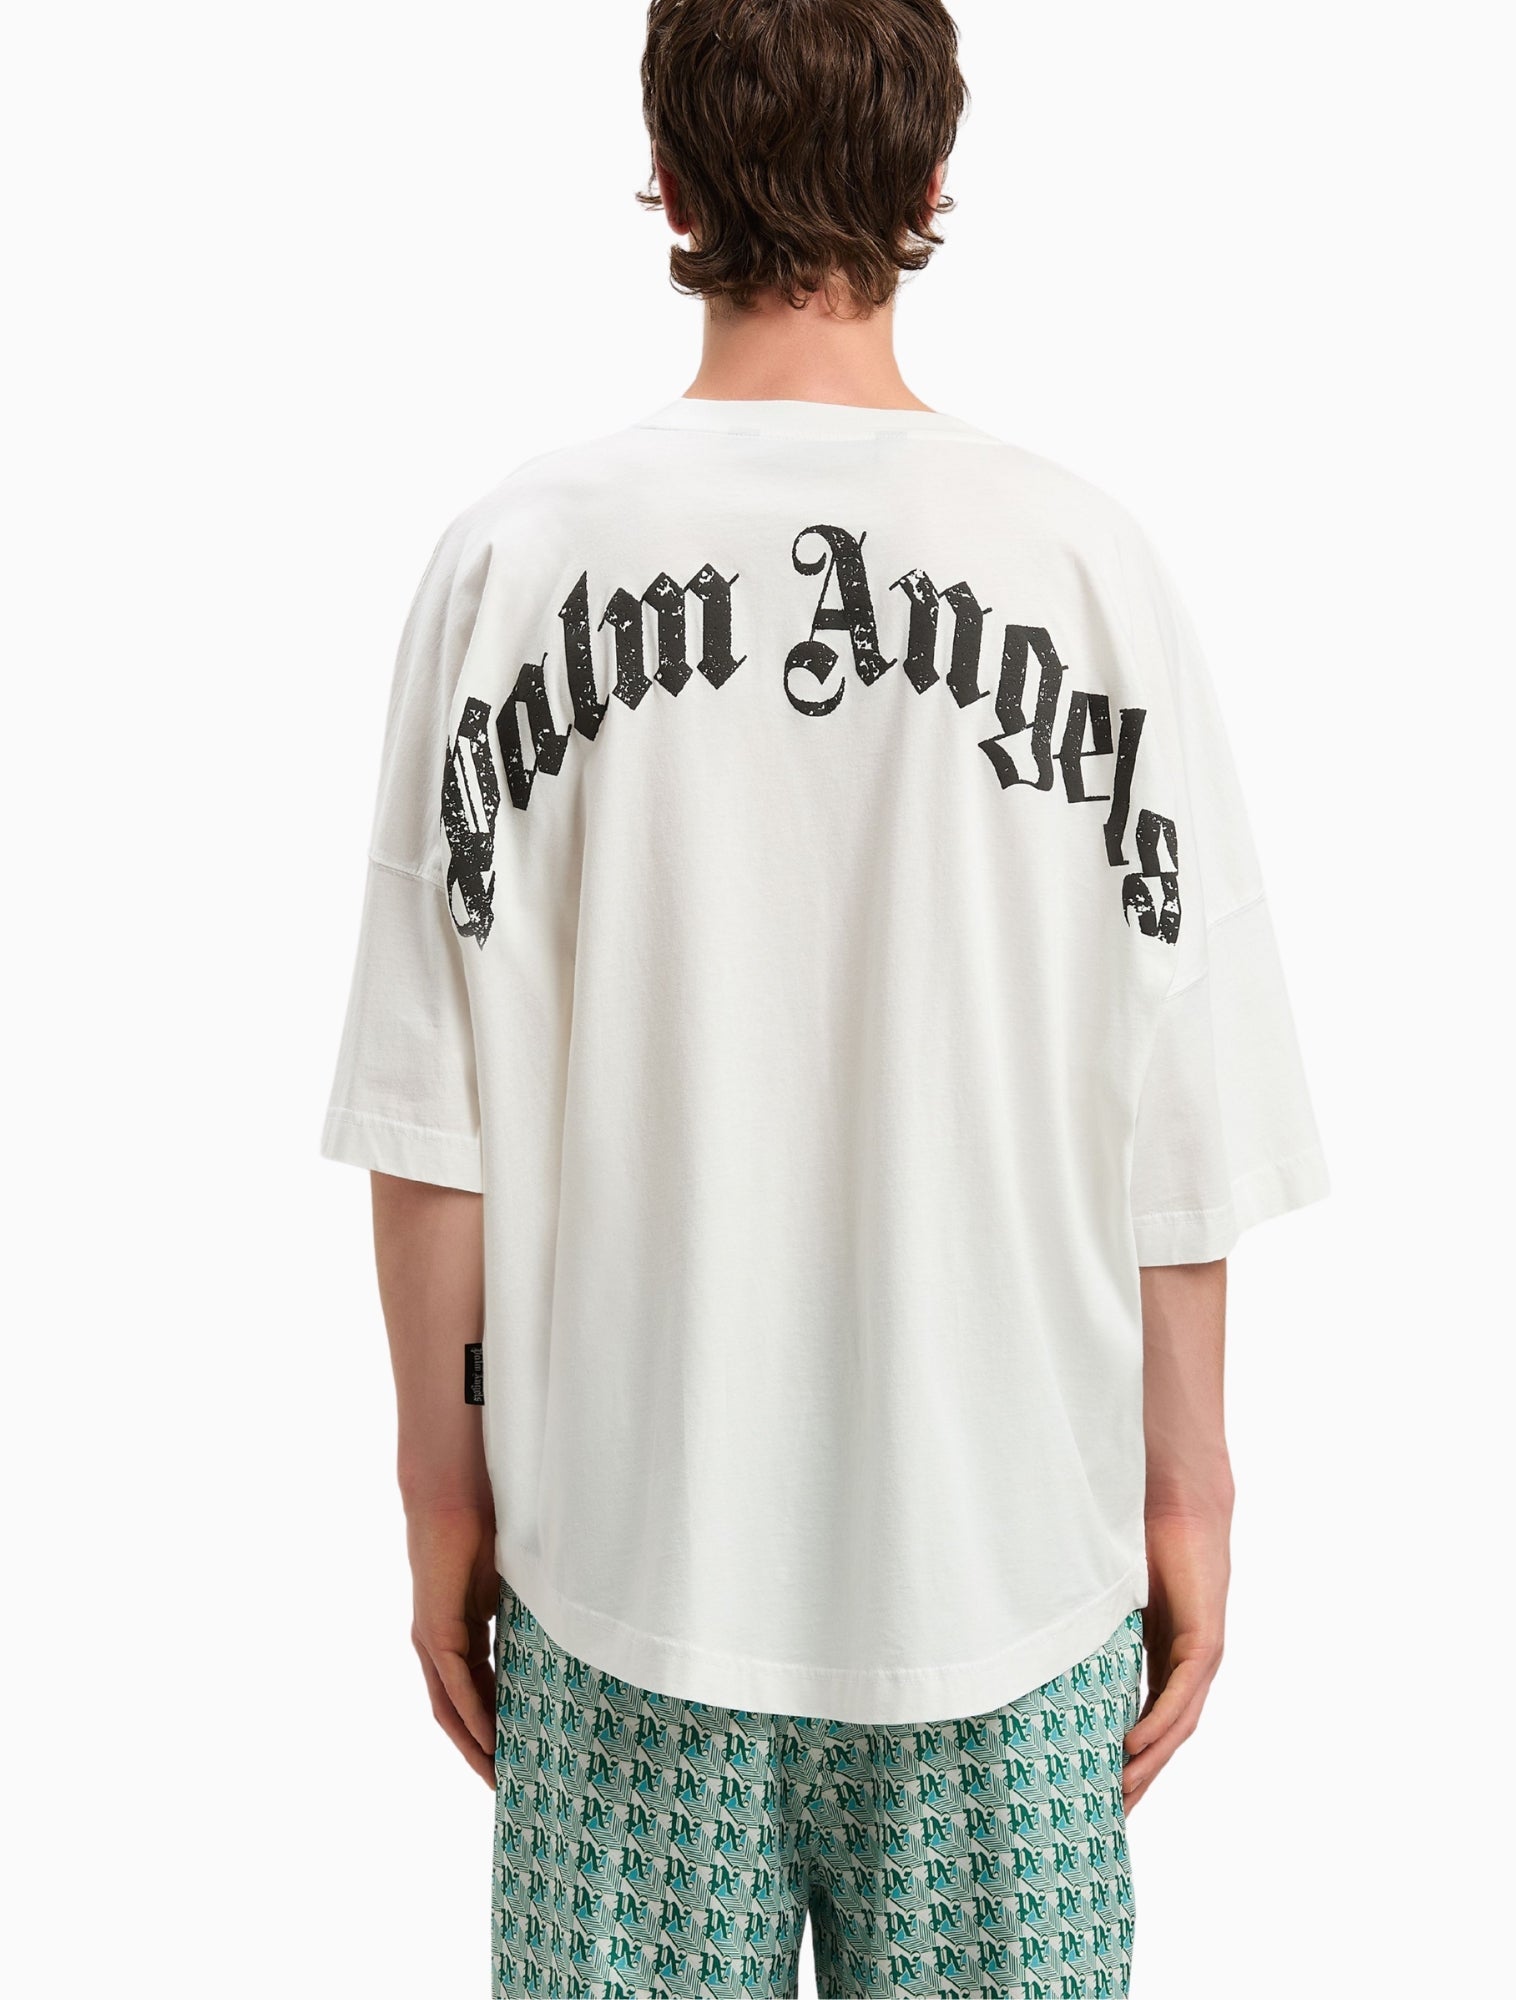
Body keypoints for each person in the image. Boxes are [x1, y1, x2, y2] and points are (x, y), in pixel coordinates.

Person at [322, 3, 1328, 1992]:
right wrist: (1185, 1486)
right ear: (935, 175)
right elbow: (1174, 1128)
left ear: (666, 178)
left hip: (624, 1580)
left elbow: (435, 1121)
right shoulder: (1084, 566)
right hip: (1005, 1588)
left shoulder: (512, 561)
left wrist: (444, 1479)